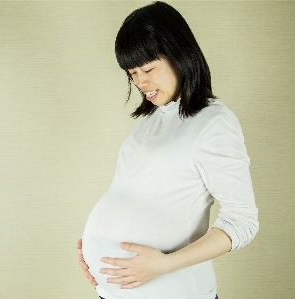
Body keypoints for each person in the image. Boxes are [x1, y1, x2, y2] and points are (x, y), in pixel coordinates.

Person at [76, 2, 259, 299]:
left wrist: (164, 264)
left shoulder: (214, 122)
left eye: (148, 68)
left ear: (180, 55)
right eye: (132, 73)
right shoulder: (151, 119)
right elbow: (136, 197)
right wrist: (94, 248)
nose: (140, 82)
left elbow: (243, 221)